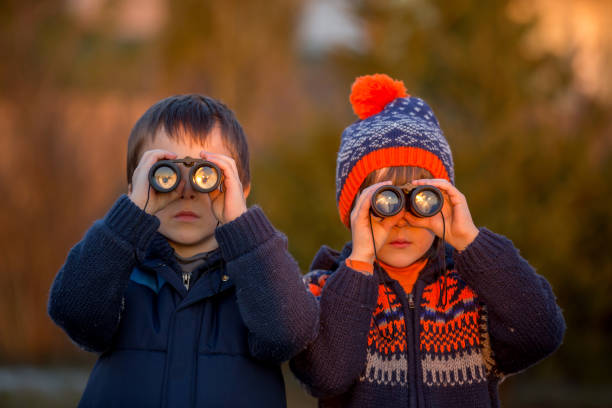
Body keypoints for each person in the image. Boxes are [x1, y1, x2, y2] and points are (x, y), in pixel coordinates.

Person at [290, 74, 565, 407]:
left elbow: (541, 334)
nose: (402, 219)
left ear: (443, 200)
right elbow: (326, 375)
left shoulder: (471, 294)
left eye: (421, 199)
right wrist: (359, 263)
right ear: (355, 209)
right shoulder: (323, 289)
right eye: (385, 202)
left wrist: (469, 240)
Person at [48, 94, 318, 407]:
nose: (187, 190)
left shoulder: (256, 280)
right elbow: (73, 311)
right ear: (135, 186)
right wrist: (130, 217)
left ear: (240, 190)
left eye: (207, 173)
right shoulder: (120, 273)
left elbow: (290, 333)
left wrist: (242, 227)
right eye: (166, 172)